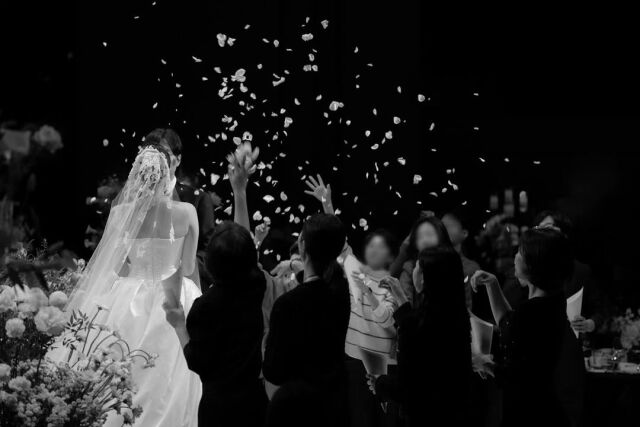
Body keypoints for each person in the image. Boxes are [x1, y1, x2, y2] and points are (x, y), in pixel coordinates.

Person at [52, 145, 202, 427]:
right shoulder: (187, 211)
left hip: (129, 294)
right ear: (166, 175)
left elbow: (118, 265)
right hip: (174, 294)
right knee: (172, 369)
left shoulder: (121, 212)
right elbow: (190, 266)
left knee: (120, 359)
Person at [164, 142, 267, 427]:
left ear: (210, 263)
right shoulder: (254, 286)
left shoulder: (206, 306)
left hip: (218, 407)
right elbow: (245, 245)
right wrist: (240, 191)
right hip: (254, 401)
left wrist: (179, 324)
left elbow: (196, 361)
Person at [470, 228, 579, 427]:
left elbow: (519, 376)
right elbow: (509, 324)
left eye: (520, 251)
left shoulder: (532, 310)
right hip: (544, 406)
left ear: (533, 264)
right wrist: (492, 284)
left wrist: (484, 364)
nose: (515, 256)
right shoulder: (552, 300)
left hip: (529, 411)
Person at [263, 212, 351, 427]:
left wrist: (265, 346)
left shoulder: (287, 304)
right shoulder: (343, 291)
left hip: (297, 409)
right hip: (335, 403)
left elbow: (274, 372)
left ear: (302, 245)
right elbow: (320, 282)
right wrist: (296, 266)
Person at [369, 246, 472, 426]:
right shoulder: (457, 315)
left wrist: (379, 382)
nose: (413, 270)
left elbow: (408, 388)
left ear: (424, 277)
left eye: (417, 266)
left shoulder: (419, 324)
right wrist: (401, 298)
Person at [144, 128, 216, 290]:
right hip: (139, 287)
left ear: (178, 159)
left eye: (165, 153)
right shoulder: (133, 204)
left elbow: (207, 252)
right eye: (153, 154)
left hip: (181, 285)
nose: (159, 161)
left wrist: (173, 267)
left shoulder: (197, 199)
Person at [389, 214, 454, 306]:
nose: (425, 241)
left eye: (430, 235)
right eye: (419, 236)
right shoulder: (410, 268)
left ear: (441, 237)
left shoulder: (453, 265)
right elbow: (406, 306)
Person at [442, 209, 481, 310]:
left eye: (451, 225)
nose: (445, 229)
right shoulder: (432, 264)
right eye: (442, 226)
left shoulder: (472, 268)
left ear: (464, 233)